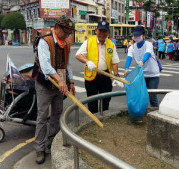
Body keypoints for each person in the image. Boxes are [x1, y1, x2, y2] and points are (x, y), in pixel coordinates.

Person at [32, 15, 75, 164]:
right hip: (45, 84)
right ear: (56, 28)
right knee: (42, 117)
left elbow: (68, 65)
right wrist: (59, 80)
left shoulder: (67, 44)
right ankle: (39, 148)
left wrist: (71, 82)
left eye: (70, 33)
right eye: (66, 32)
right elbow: (45, 66)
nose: (68, 35)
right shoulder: (45, 41)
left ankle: (52, 140)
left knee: (57, 113)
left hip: (59, 84)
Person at [75, 21, 120, 113]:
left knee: (106, 100)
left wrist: (116, 75)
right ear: (96, 31)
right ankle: (93, 120)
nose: (102, 33)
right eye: (100, 31)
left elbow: (114, 61)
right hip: (92, 76)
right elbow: (78, 55)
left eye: (105, 31)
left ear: (108, 33)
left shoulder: (111, 44)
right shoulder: (88, 42)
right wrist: (88, 62)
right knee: (92, 101)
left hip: (106, 75)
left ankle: (105, 118)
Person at [124, 26, 160, 107]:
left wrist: (142, 61)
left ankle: (156, 113)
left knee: (152, 96)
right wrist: (126, 68)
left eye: (138, 35)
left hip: (152, 75)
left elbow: (147, 53)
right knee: (141, 96)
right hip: (141, 75)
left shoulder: (148, 44)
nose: (135, 37)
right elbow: (129, 58)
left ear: (143, 35)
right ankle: (143, 112)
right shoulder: (132, 47)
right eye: (134, 35)